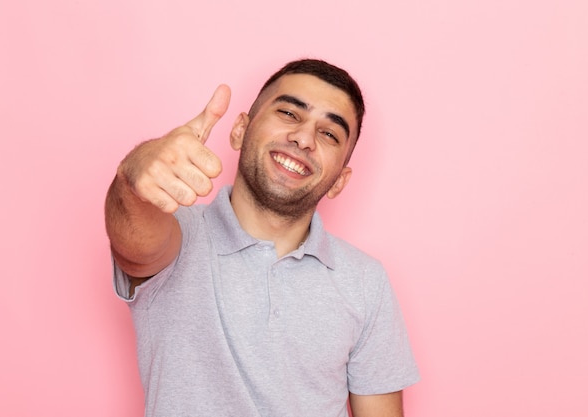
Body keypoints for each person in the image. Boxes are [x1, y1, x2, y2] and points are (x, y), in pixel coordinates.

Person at [105, 58, 419, 417]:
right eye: (289, 113)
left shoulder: (366, 282)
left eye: (329, 134)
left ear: (341, 181)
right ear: (240, 129)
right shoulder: (177, 235)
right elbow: (132, 237)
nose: (303, 139)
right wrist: (134, 175)